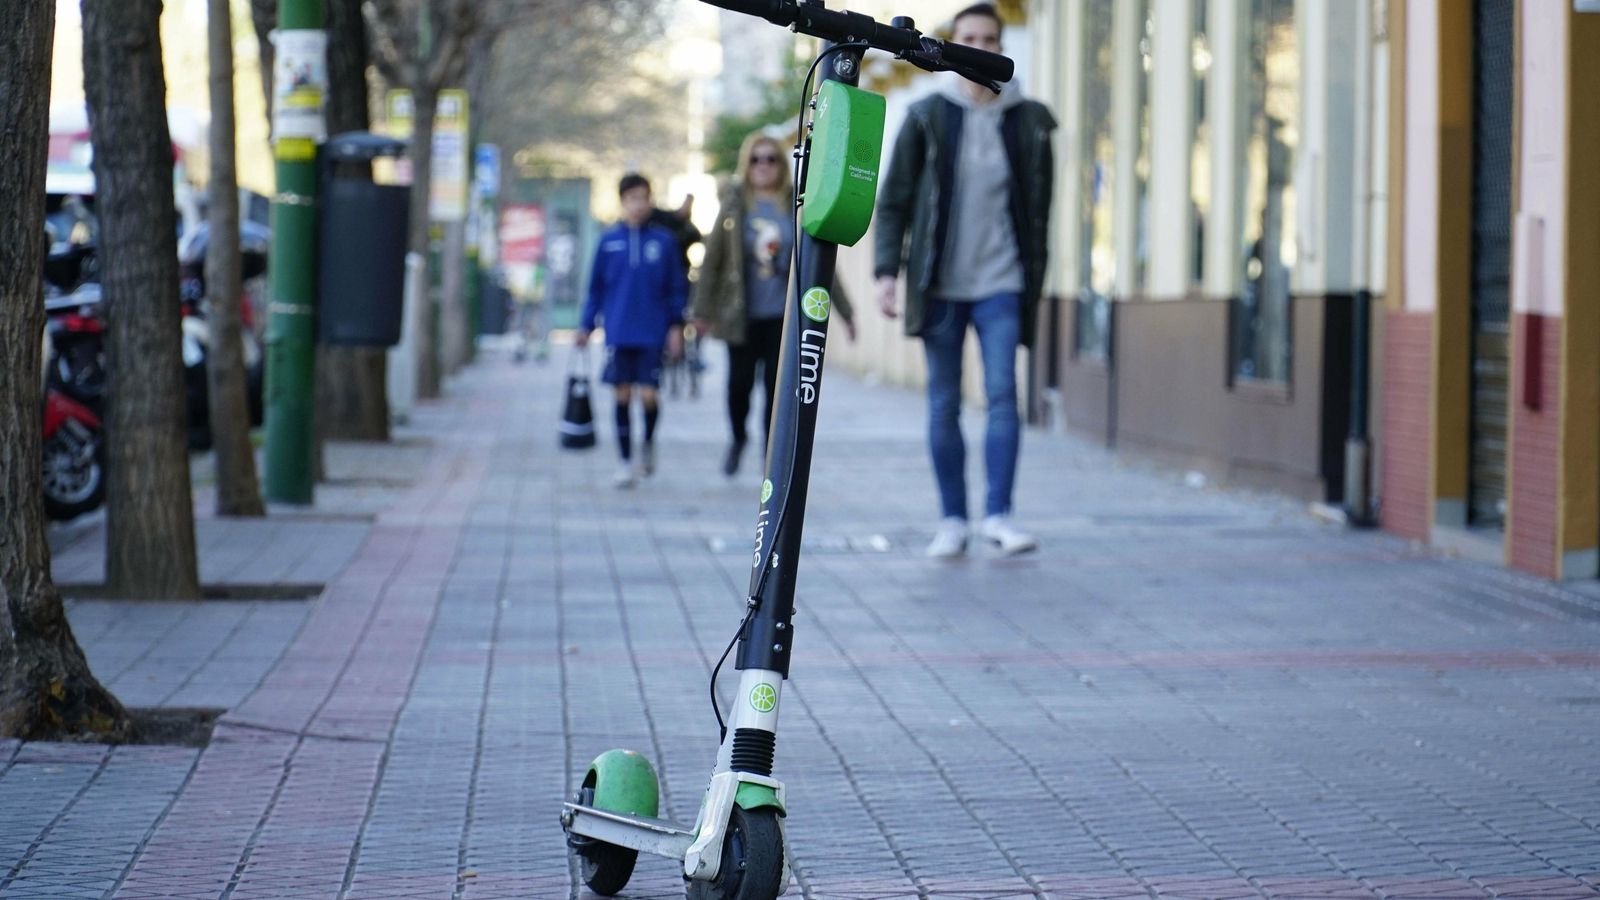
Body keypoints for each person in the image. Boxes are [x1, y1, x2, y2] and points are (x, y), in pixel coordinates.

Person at [874, 3, 1056, 557]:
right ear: (953, 45)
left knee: (1003, 395)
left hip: (1002, 281)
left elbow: (1039, 210)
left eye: (988, 38)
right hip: (939, 285)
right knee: (943, 402)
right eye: (967, 37)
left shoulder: (1030, 119)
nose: (978, 46)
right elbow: (895, 201)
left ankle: (998, 515)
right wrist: (886, 271)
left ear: (1001, 47)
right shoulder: (928, 114)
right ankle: (953, 519)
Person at [694, 131, 854, 477]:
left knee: (776, 391)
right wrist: (701, 312)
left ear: (781, 165)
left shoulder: (796, 202)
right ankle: (737, 437)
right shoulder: (735, 203)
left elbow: (819, 261)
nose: (763, 166)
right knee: (738, 385)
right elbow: (714, 259)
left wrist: (846, 312)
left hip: (783, 317)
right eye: (756, 159)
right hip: (741, 315)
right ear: (746, 165)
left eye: (770, 159)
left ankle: (771, 460)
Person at [576, 173, 687, 489]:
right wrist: (586, 325)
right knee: (622, 394)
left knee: (649, 395)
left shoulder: (664, 242)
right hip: (618, 331)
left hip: (653, 332)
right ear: (622, 202)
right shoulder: (608, 242)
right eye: (632, 198)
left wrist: (676, 326)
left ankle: (648, 442)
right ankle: (624, 462)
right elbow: (595, 289)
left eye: (643, 197)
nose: (639, 204)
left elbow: (676, 288)